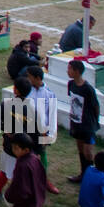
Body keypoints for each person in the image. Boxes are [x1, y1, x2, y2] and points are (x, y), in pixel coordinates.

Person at [0, 76, 36, 203]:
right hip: (25, 148)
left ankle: (0, 192)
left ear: (16, 90)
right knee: (18, 172)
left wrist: (6, 128)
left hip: (10, 147)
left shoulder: (6, 104)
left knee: (6, 171)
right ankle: (2, 191)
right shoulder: (31, 109)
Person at [26, 66, 61, 194]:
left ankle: (44, 180)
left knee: (42, 154)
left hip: (41, 130)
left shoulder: (49, 93)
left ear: (37, 78)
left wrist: (50, 134)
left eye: (30, 76)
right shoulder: (26, 90)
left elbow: (52, 116)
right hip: (27, 129)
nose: (27, 78)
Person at [65, 57, 99, 183]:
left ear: (77, 71)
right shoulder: (71, 84)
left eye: (70, 69)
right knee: (80, 149)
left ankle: (92, 177)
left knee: (88, 152)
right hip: (76, 123)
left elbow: (96, 106)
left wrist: (95, 123)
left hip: (87, 125)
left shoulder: (88, 89)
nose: (67, 71)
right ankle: (83, 174)